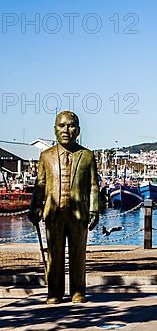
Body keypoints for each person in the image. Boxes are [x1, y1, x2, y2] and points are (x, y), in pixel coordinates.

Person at [28, 111, 99, 304]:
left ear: (78, 130)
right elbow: (40, 185)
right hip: (53, 214)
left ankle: (78, 291)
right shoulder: (46, 156)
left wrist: (94, 210)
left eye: (70, 126)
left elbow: (93, 185)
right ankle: (55, 292)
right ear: (54, 129)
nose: (66, 130)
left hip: (79, 215)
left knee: (78, 254)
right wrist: (34, 207)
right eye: (61, 126)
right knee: (54, 255)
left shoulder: (87, 156)